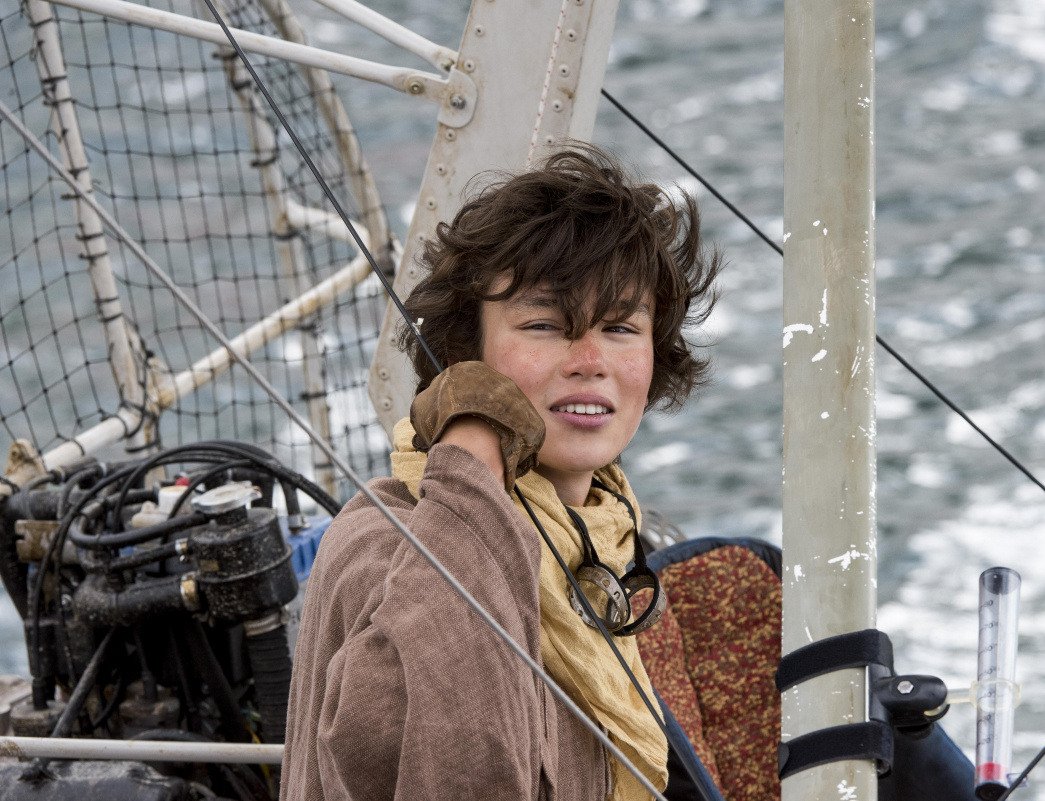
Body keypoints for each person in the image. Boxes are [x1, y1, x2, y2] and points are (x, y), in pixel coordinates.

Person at [281, 145, 719, 801]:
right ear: (466, 355)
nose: (590, 359)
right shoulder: (384, 546)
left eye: (620, 328)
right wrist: (470, 466)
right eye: (544, 324)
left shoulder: (601, 533)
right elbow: (435, 761)